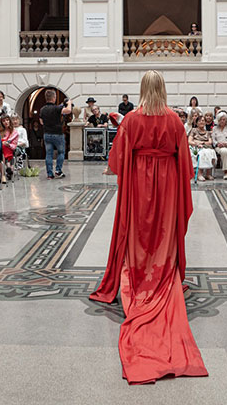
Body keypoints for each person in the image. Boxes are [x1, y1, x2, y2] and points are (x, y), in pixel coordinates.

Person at [88, 70, 208, 385]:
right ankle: (164, 274)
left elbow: (116, 161)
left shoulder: (130, 120)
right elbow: (185, 162)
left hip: (139, 183)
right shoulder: (174, 121)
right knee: (165, 232)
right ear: (164, 89)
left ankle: (137, 274)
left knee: (139, 231)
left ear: (141, 89)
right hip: (168, 181)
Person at [40, 89, 71, 179]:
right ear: (54, 98)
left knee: (48, 154)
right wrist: (69, 102)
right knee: (61, 152)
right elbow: (68, 110)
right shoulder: (57, 108)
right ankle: (58, 170)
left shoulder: (42, 109)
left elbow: (41, 122)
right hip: (57, 133)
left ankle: (50, 174)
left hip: (47, 134)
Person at [188, 115, 217, 181]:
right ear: (197, 123)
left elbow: (210, 142)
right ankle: (199, 174)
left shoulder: (207, 132)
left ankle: (208, 174)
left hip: (206, 147)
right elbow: (189, 141)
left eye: (203, 120)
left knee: (211, 152)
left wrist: (202, 143)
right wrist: (197, 143)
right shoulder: (194, 130)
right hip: (195, 147)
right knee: (202, 153)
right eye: (200, 121)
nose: (202, 122)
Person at [212, 111, 227, 180]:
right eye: (220, 119)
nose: (222, 121)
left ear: (226, 120)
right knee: (224, 151)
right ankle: (226, 172)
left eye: (224, 119)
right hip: (219, 146)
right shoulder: (215, 128)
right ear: (218, 120)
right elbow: (213, 139)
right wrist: (217, 144)